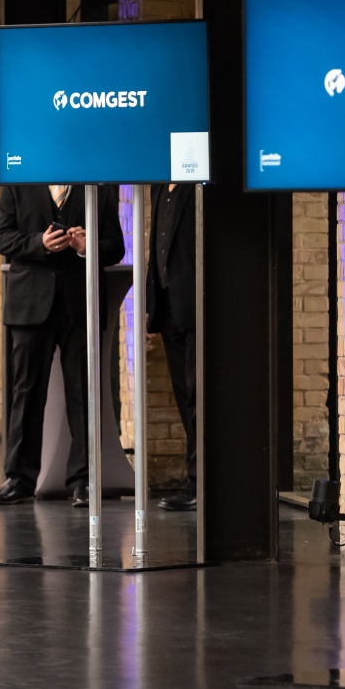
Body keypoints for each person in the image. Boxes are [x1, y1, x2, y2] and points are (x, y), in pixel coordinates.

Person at [0, 182, 123, 507]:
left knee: (84, 394)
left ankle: (84, 480)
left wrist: (86, 247)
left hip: (81, 303)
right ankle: (19, 479)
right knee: (26, 392)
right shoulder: (16, 183)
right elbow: (1, 237)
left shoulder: (99, 186)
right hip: (30, 303)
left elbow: (116, 246)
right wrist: (40, 243)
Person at [147, 182, 198, 512]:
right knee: (183, 395)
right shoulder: (157, 187)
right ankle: (195, 479)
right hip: (168, 308)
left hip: (194, 306)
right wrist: (151, 305)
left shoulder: (198, 185)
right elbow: (156, 247)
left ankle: (200, 481)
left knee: (197, 396)